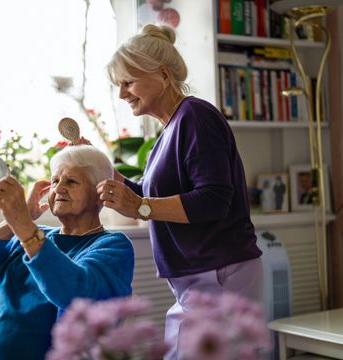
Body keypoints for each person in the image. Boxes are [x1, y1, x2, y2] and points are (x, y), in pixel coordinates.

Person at [96, 24, 263, 359]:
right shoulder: (169, 130)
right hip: (197, 279)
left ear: (162, 75)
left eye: (128, 82)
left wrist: (141, 206)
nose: (122, 94)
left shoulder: (196, 117)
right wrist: (101, 169)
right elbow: (150, 193)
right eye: (118, 85)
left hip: (220, 272)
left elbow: (213, 201)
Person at [0, 145, 134, 360]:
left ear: (98, 193)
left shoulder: (112, 246)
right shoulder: (32, 234)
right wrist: (14, 223)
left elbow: (73, 292)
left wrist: (24, 226)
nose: (58, 189)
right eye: (55, 181)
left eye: (71, 181)